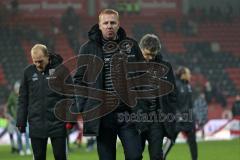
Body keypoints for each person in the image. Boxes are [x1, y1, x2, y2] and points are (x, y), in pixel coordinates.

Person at [73, 9, 143, 160]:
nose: (109, 26)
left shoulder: (131, 46)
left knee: (135, 156)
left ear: (119, 25)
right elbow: (79, 81)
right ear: (99, 25)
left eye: (113, 23)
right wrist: (84, 108)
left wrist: (142, 105)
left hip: (128, 114)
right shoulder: (87, 49)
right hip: (102, 116)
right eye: (105, 23)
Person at [16, 44, 72, 160]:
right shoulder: (28, 72)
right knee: (38, 157)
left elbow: (71, 96)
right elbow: (23, 98)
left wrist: (70, 119)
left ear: (48, 57)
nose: (37, 65)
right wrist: (21, 120)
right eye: (35, 61)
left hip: (58, 124)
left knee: (60, 157)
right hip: (36, 124)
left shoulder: (61, 71)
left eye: (40, 61)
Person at [136, 34, 177, 160]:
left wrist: (170, 114)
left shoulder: (166, 67)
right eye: (147, 54)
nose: (149, 58)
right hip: (137, 118)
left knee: (157, 156)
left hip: (157, 120)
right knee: (134, 156)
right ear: (140, 49)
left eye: (152, 55)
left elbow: (172, 93)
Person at [163, 67, 198, 160]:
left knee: (193, 142)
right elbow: (172, 102)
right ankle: (161, 157)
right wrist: (177, 115)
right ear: (183, 75)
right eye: (188, 73)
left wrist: (193, 117)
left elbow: (190, 104)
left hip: (189, 119)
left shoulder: (188, 86)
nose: (190, 75)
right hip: (178, 119)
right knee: (171, 139)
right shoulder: (176, 85)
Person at [6, 81, 31, 155]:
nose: (18, 90)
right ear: (15, 89)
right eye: (16, 89)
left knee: (27, 134)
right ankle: (20, 149)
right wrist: (10, 115)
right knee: (19, 135)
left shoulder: (24, 95)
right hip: (16, 119)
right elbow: (8, 107)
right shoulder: (12, 96)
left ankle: (28, 149)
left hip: (25, 117)